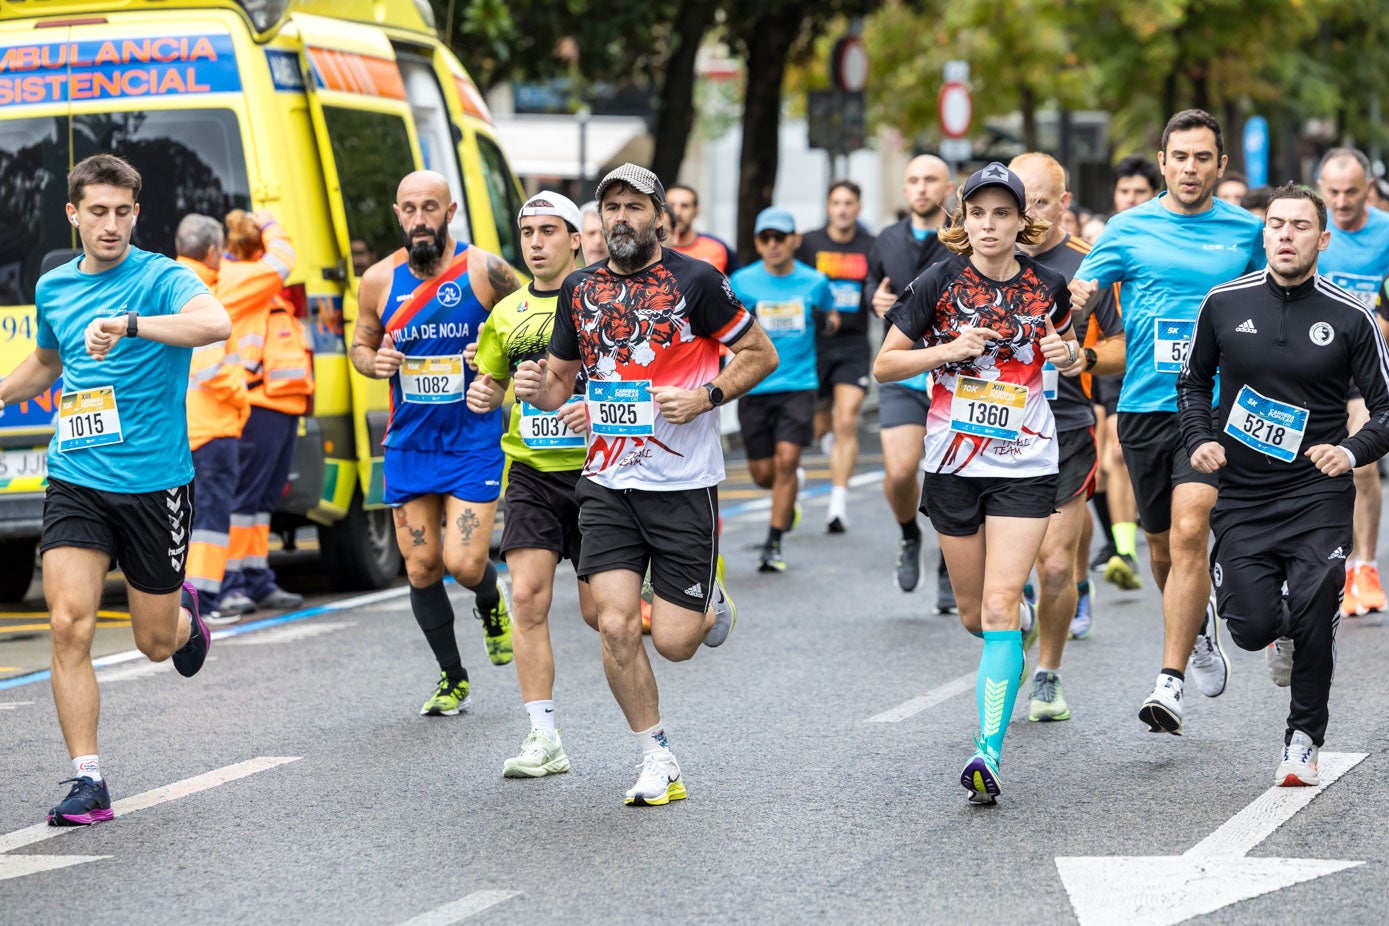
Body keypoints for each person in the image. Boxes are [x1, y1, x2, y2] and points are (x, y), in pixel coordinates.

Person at [513, 163, 776, 806]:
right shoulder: (579, 288)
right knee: (613, 624)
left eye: (635, 207)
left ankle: (708, 599)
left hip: (683, 483)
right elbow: (561, 380)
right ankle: (656, 755)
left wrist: (706, 396)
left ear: (659, 215)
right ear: (598, 220)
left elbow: (760, 354)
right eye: (612, 208)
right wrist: (538, 390)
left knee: (677, 642)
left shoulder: (697, 281)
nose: (622, 218)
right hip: (604, 481)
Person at [0, 154, 230, 824]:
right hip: (76, 475)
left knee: (152, 643)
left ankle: (184, 622)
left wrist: (131, 323)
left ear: (136, 212)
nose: (110, 225)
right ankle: (87, 779)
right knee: (68, 622)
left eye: (122, 212)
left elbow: (214, 324)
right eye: (97, 212)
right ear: (73, 214)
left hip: (154, 482)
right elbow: (47, 361)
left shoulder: (160, 277)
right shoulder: (55, 288)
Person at [874, 161, 1080, 803]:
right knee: (974, 615)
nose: (990, 225)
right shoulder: (936, 282)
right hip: (955, 464)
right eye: (979, 213)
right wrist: (947, 350)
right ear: (963, 221)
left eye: (1003, 213)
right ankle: (1007, 630)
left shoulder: (1049, 286)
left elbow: (1068, 351)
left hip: (1025, 461)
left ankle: (986, 754)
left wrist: (1067, 355)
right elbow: (885, 366)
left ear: (1024, 222)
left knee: (996, 606)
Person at [1178, 183, 1389, 785]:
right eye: (1277, 225)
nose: (1287, 235)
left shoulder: (1351, 317)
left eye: (1300, 226)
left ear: (1322, 240)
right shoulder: (1222, 303)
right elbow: (1192, 384)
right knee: (1250, 627)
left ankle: (1303, 738)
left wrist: (1350, 452)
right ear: (1263, 233)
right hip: (1243, 493)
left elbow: (1386, 408)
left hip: (1317, 495)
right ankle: (1282, 630)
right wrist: (1200, 440)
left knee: (1320, 592)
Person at [1073, 109, 1265, 734]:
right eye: (1179, 157)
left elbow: (1280, 301)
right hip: (1144, 403)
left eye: (1202, 158)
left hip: (1214, 406)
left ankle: (1169, 681)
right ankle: (1198, 630)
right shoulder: (1126, 229)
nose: (1190, 168)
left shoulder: (1245, 232)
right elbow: (1077, 294)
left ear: (1220, 165)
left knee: (1189, 532)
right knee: (1161, 547)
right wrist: (1057, 309)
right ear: (1162, 162)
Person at [351, 170, 521, 717]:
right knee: (422, 567)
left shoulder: (485, 270)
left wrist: (494, 358)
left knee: (466, 563)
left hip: (473, 440)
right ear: (397, 214)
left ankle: (491, 603)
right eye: (409, 209)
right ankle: (453, 678)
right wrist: (372, 362)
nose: (420, 219)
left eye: (431, 208)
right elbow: (360, 344)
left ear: (450, 213)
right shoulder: (378, 280)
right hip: (409, 444)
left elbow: (540, 320)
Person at [469, 191, 597, 776]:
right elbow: (492, 382)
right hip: (531, 471)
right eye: (528, 233)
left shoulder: (600, 301)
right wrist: (483, 394)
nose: (537, 243)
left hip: (599, 471)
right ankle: (543, 737)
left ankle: (677, 582)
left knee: (602, 615)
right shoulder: (506, 313)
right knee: (526, 598)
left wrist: (588, 401)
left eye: (550, 231)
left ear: (575, 238)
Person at [1009, 153, 1125, 718]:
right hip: (991, 429)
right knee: (997, 575)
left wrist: (1083, 356)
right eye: (1018, 199)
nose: (1027, 212)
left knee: (1055, 564)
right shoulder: (975, 260)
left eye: (1040, 201)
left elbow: (1127, 349)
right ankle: (1022, 612)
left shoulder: (1091, 265)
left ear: (1064, 204)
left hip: (1066, 425)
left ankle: (1048, 673)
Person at [865, 154, 957, 606]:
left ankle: (948, 561)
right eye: (913, 181)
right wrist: (874, 300)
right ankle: (909, 536)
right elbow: (873, 289)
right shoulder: (886, 239)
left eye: (930, 180)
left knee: (948, 476)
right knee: (902, 472)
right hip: (902, 372)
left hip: (953, 377)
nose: (921, 188)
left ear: (949, 187)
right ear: (905, 190)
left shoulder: (962, 240)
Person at [215, 209, 307, 616]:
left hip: (281, 402)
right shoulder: (240, 277)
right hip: (258, 402)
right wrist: (272, 222)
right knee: (244, 498)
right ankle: (231, 583)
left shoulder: (253, 280)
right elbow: (286, 256)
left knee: (261, 500)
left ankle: (257, 579)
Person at [732, 207, 834, 571]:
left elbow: (832, 316)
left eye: (780, 237)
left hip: (798, 384)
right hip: (755, 386)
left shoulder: (815, 282)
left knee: (787, 460)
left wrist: (828, 322)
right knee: (763, 474)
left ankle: (773, 544)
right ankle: (786, 494)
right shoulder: (741, 283)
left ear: (795, 240)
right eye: (765, 238)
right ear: (758, 243)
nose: (773, 245)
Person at [1315, 147, 1389, 618]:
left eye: (1351, 192)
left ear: (1368, 189)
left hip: (1365, 363)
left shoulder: (1385, 231)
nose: (1342, 202)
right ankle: (1321, 561)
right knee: (1311, 465)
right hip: (1317, 363)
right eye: (1333, 192)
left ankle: (1364, 565)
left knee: (1360, 462)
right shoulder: (1312, 230)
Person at [175, 213, 251, 626]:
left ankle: (193, 593)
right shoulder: (201, 291)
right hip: (213, 425)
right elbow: (210, 367)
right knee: (210, 517)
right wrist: (242, 400)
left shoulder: (164, 283)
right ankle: (203, 596)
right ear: (210, 251)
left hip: (183, 427)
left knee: (188, 516)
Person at [1090, 155, 1162, 584]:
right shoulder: (1105, 238)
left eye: (1140, 192)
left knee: (1117, 454)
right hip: (1109, 356)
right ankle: (1120, 545)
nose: (1131, 198)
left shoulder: (1165, 236)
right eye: (1124, 191)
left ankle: (1125, 542)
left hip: (1153, 359)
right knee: (1104, 461)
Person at [796, 180, 875, 533]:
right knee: (819, 426)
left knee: (846, 421)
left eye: (849, 203)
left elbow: (880, 286)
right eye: (836, 202)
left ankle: (837, 504)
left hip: (854, 344)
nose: (842, 209)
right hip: (816, 345)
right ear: (828, 207)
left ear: (858, 208)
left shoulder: (871, 247)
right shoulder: (809, 243)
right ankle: (830, 445)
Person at [666, 183, 740, 274]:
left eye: (685, 206)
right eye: (671, 205)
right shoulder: (654, 249)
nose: (677, 212)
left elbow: (741, 280)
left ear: (696, 211)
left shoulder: (717, 246)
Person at [580, 200, 608, 264]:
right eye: (591, 233)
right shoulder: (570, 274)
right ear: (579, 237)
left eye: (604, 234)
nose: (598, 241)